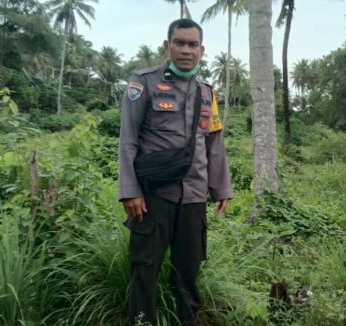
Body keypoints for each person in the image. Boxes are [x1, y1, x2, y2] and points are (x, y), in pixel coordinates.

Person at [118, 19, 233, 325]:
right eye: (179, 43)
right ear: (167, 46)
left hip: (194, 198)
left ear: (202, 50)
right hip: (153, 197)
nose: (186, 50)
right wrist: (130, 190)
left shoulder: (207, 92)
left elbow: (214, 143)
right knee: (145, 269)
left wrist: (221, 188)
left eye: (192, 44)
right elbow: (128, 139)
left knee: (189, 271)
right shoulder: (143, 82)